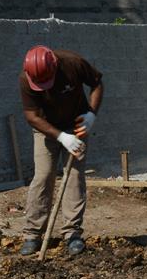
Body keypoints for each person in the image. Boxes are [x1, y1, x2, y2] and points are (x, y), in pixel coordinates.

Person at [18, 45, 103, 256]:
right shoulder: (26, 79)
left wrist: (91, 115)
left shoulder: (73, 63)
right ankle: (33, 233)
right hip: (45, 128)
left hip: (77, 124)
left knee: (74, 177)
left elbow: (97, 84)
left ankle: (72, 233)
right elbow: (31, 117)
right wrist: (62, 137)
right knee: (43, 176)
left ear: (55, 67)